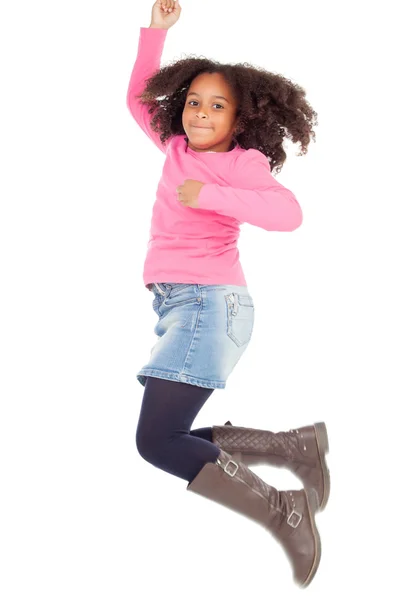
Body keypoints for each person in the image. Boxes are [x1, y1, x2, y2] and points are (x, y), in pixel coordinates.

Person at [126, 0, 329, 588]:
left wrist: (211, 196)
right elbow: (139, 98)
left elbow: (287, 214)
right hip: (182, 306)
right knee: (171, 435)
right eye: (193, 101)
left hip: (210, 306)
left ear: (240, 119)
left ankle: (284, 509)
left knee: (158, 441)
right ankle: (292, 447)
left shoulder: (242, 163)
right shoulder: (174, 149)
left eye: (218, 106)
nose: (200, 113)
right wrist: (155, 36)